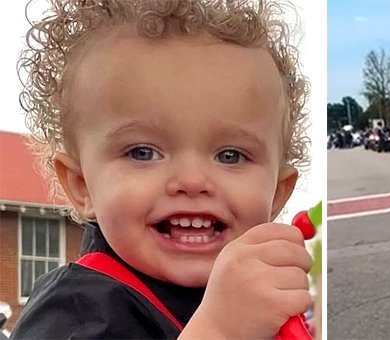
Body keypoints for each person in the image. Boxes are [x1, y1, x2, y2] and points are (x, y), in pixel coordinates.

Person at [11, 1, 314, 339]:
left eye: (230, 155)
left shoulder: (257, 300)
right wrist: (219, 330)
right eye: (143, 152)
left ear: (277, 193)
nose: (192, 181)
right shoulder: (78, 312)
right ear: (82, 185)